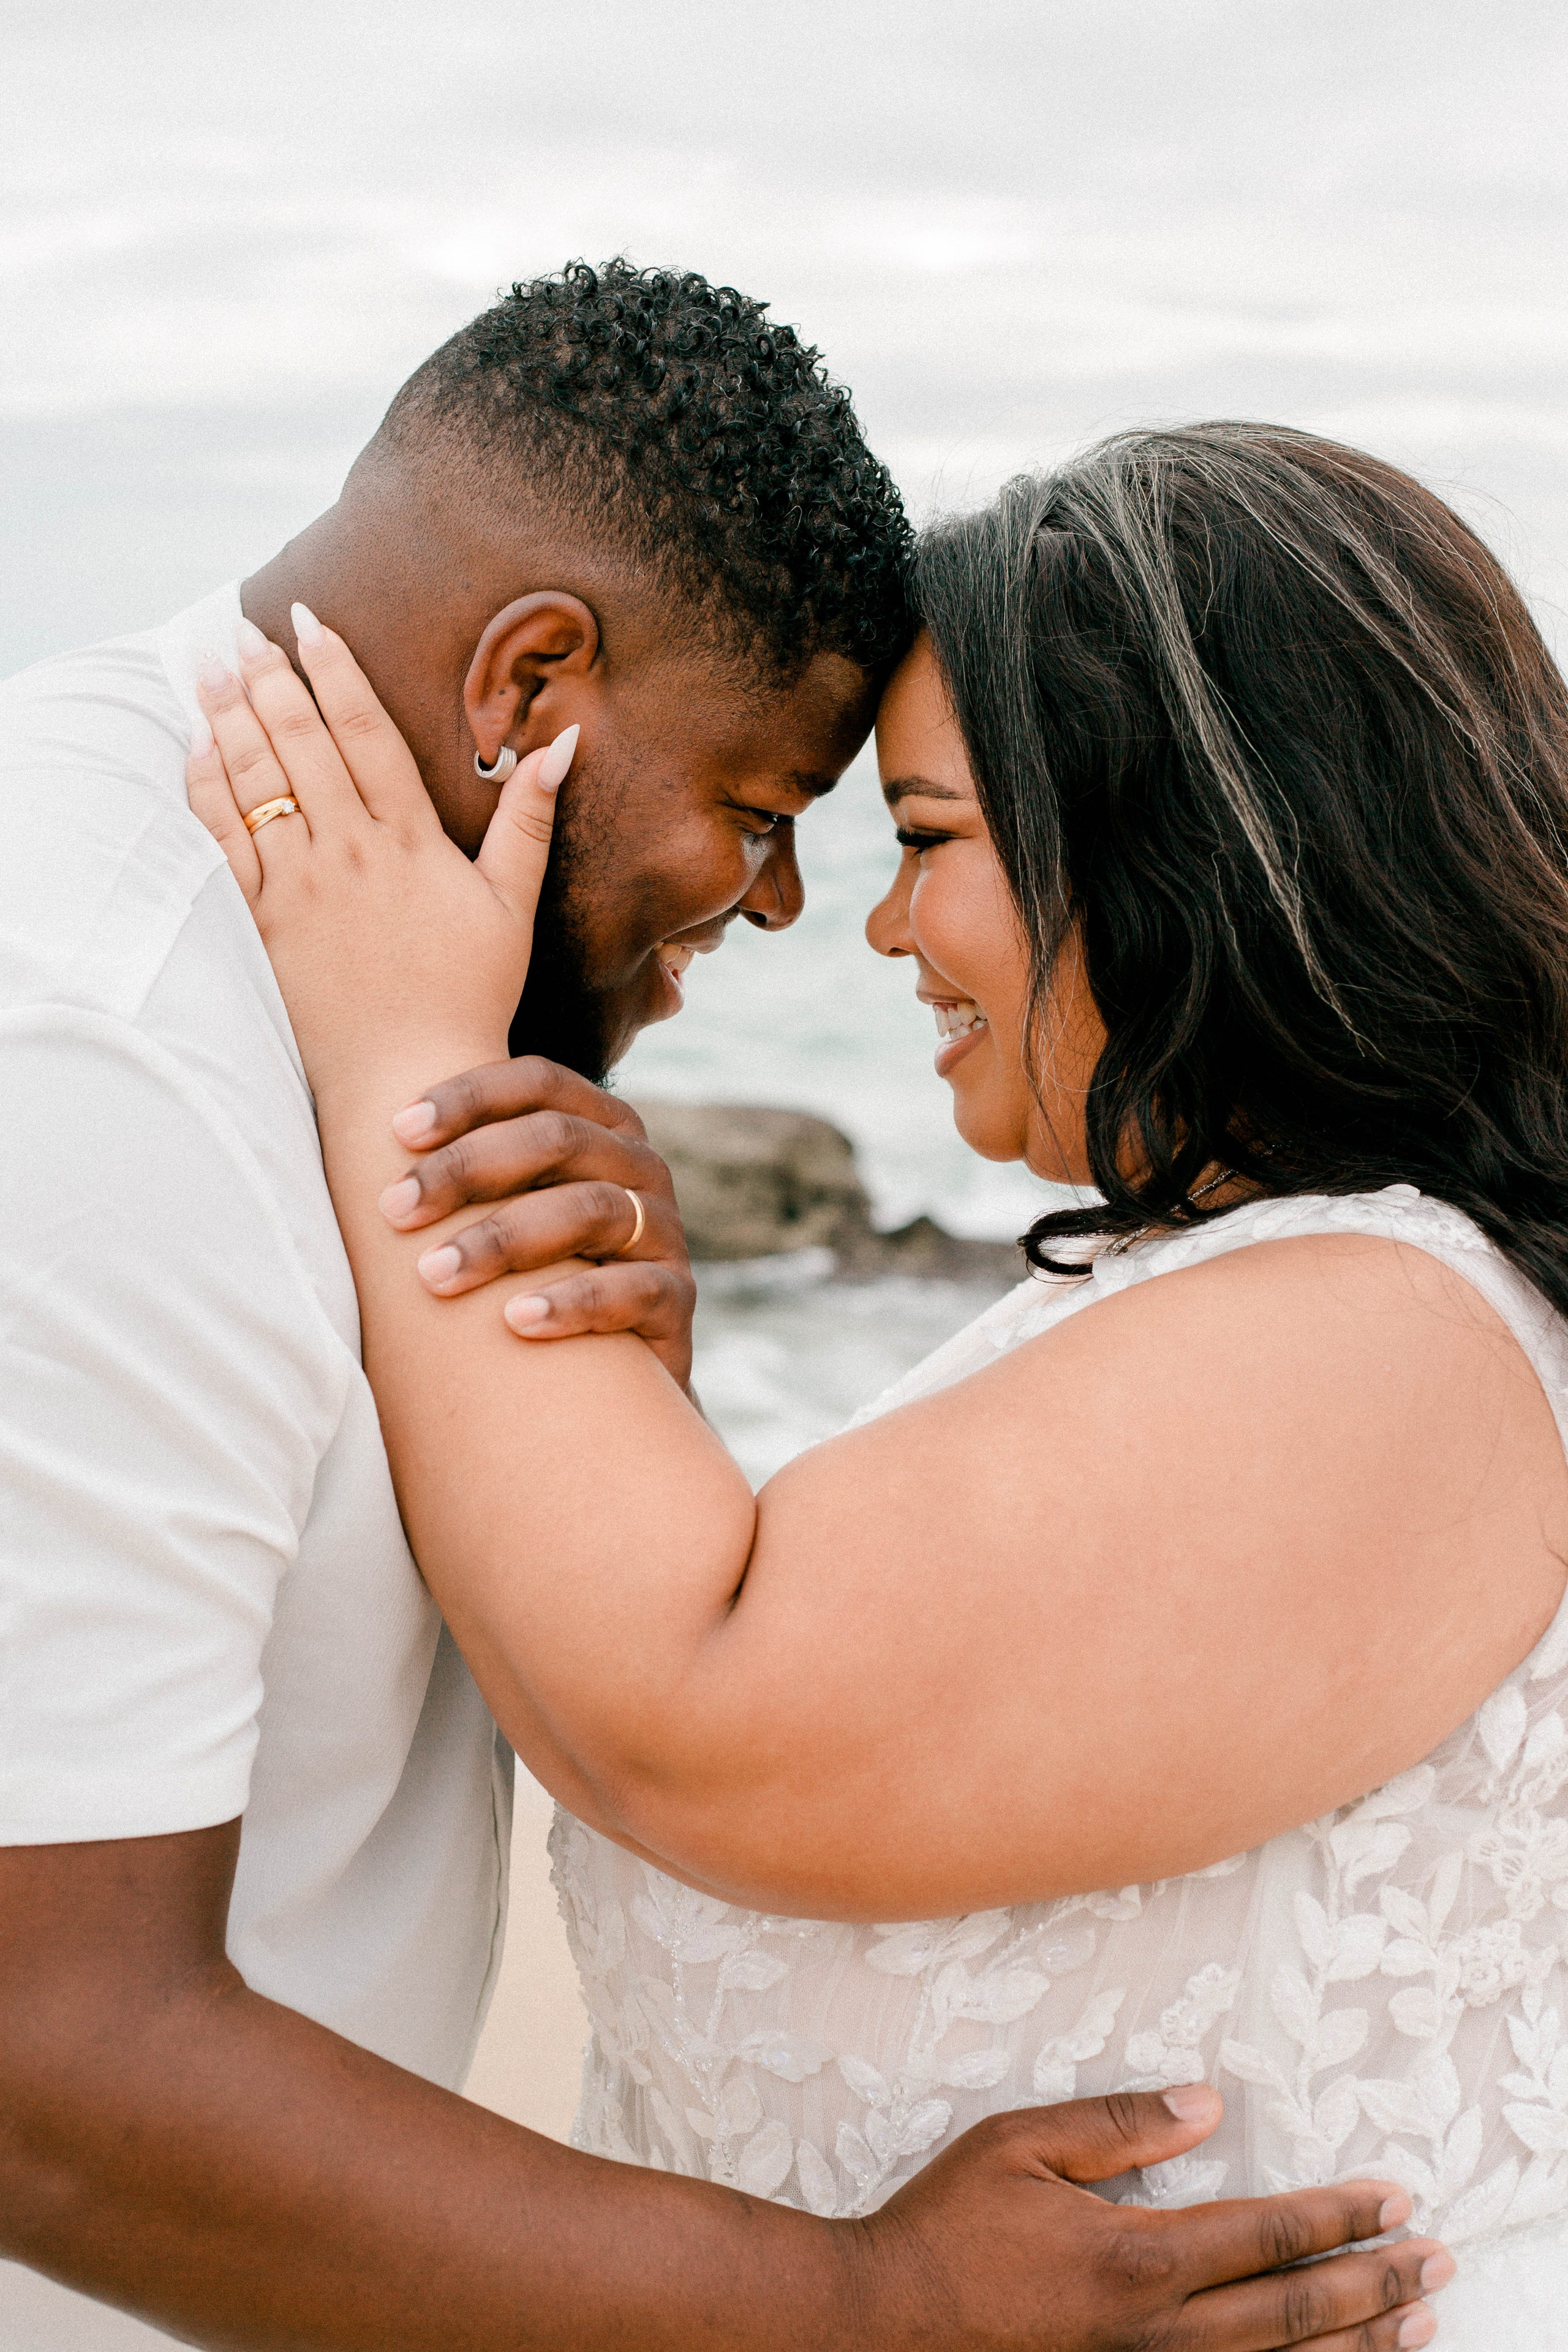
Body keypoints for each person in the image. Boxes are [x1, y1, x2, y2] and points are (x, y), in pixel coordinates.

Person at [0, 262, 1431, 2352]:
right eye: (763, 810)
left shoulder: (319, 994)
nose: (782, 907)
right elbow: (47, 2067)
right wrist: (871, 2310)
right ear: (531, 684)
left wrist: (599, 1365)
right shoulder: (98, 1052)